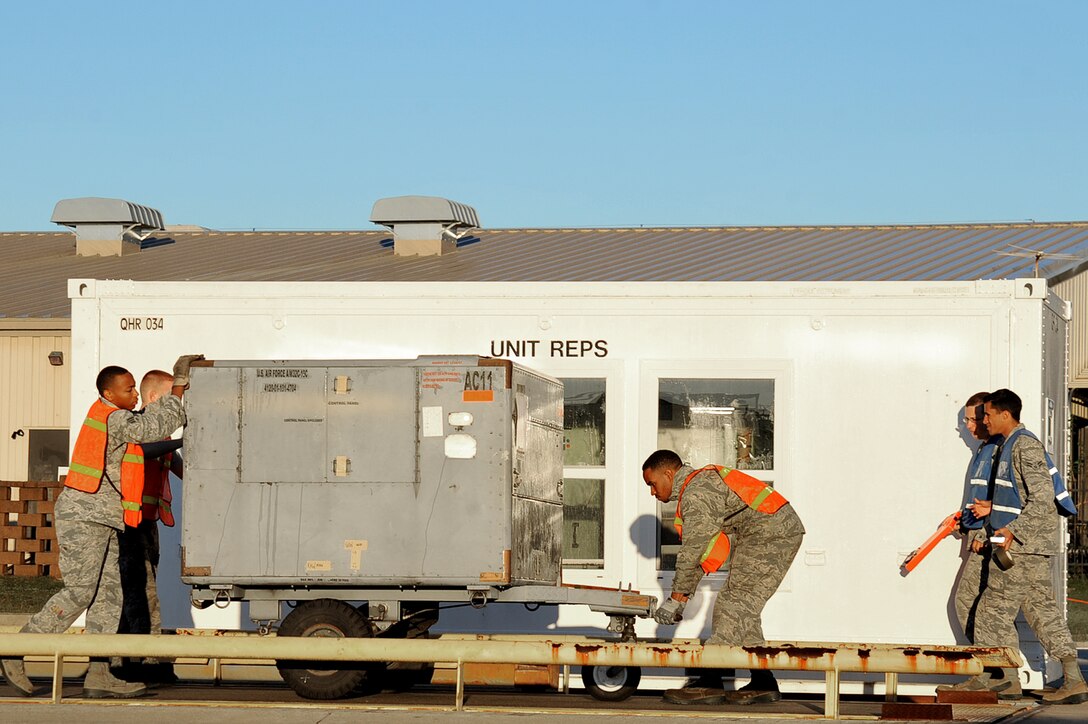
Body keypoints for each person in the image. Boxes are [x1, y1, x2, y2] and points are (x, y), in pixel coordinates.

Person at [1, 354, 203, 699]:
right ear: (109, 394)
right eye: (128, 391)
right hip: (84, 517)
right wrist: (180, 386)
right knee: (81, 591)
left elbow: (151, 426)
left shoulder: (118, 416)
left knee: (111, 597)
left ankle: (101, 673)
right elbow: (153, 427)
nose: (134, 395)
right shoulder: (113, 419)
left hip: (108, 519)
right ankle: (16, 650)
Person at [949, 389, 1087, 705]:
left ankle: (1003, 677)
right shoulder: (1010, 446)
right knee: (1041, 609)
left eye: (986, 415)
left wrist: (1011, 530)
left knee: (990, 608)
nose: (982, 421)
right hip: (1027, 544)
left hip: (1022, 546)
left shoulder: (1022, 446)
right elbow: (1020, 496)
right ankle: (1073, 678)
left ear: (1004, 415)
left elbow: (1042, 500)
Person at [644, 449, 805, 705]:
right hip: (767, 530)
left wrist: (675, 599)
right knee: (744, 606)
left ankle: (710, 682)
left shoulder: (697, 493)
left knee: (734, 602)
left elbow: (692, 551)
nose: (652, 492)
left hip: (772, 533)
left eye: (652, 484)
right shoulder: (696, 487)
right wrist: (682, 598)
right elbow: (702, 552)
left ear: (668, 473)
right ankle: (763, 681)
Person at [116, 369, 184, 684]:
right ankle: (134, 662)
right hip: (128, 526)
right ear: (156, 398)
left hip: (147, 525)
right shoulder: (134, 431)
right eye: (174, 396)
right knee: (138, 593)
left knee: (145, 591)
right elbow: (140, 455)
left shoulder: (163, 438)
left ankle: (139, 659)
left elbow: (187, 471)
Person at [951, 392, 1000, 641]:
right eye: (965, 421)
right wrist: (963, 519)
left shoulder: (998, 450)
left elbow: (1002, 499)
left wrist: (981, 532)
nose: (967, 427)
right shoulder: (985, 449)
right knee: (1039, 610)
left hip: (991, 539)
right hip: (985, 535)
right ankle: (997, 673)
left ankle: (993, 671)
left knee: (970, 603)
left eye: (972, 420)